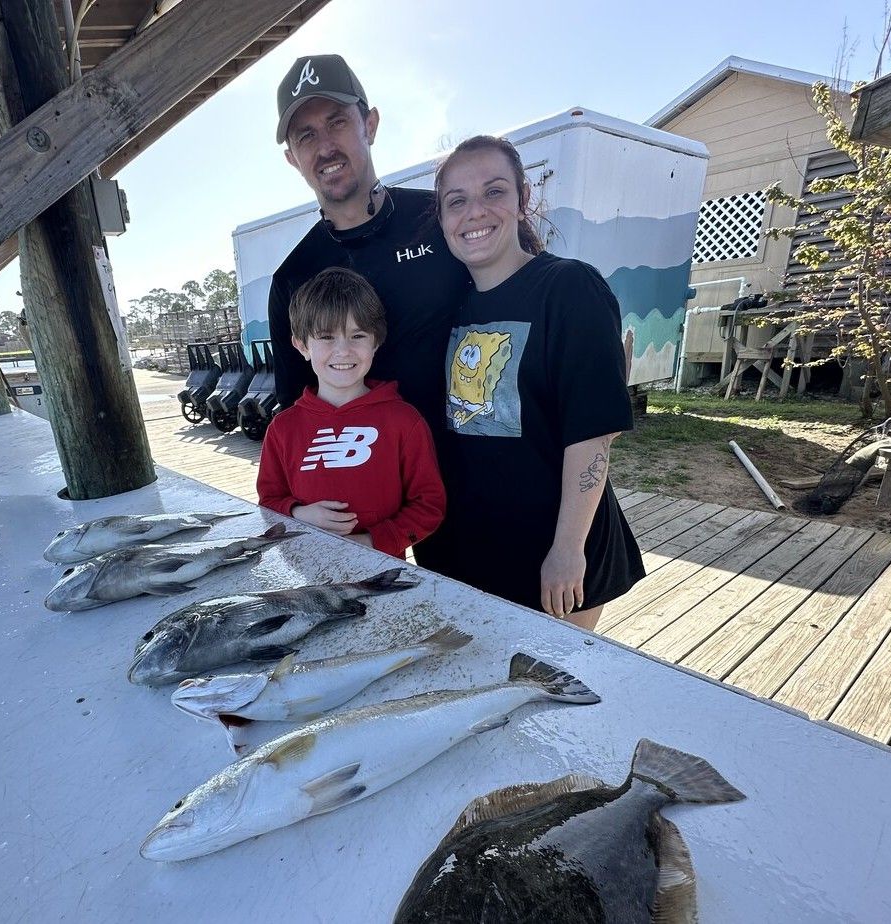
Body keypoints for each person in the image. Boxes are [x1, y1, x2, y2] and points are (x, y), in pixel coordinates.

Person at [429, 135, 644, 630]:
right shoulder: (449, 306)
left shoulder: (570, 288)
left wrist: (567, 549)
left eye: (494, 192)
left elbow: (593, 433)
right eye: (456, 201)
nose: (475, 212)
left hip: (557, 555)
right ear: (442, 219)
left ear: (525, 200)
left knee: (548, 692)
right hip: (469, 552)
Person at [268, 54, 470, 441]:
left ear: (370, 125)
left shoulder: (440, 220)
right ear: (292, 159)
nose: (325, 147)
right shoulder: (293, 277)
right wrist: (294, 504)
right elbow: (297, 415)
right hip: (379, 492)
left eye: (337, 121)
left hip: (482, 472)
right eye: (306, 135)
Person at [257, 267, 445, 558]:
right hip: (305, 569)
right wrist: (297, 512)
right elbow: (268, 500)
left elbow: (429, 504)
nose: (343, 351)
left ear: (376, 342)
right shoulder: (283, 428)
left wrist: (372, 542)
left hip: (382, 574)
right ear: (301, 345)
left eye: (357, 335)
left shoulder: (404, 421)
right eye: (327, 337)